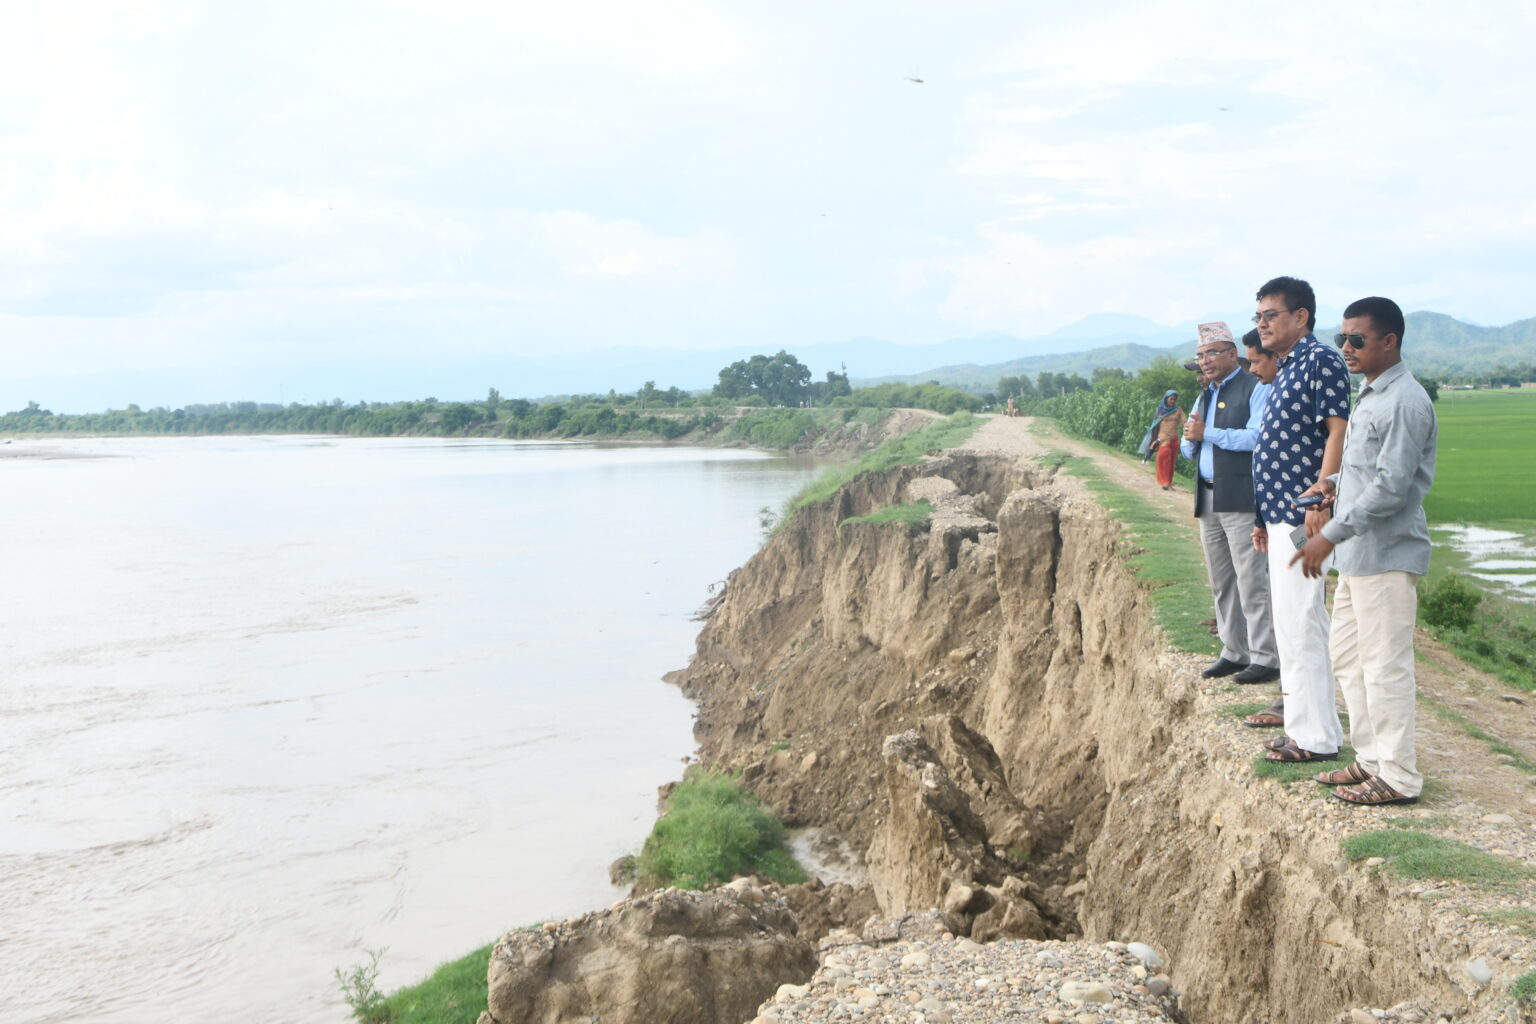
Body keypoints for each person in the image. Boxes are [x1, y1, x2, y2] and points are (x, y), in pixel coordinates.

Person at [1291, 297, 1437, 805]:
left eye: (1358, 339)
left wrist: (1330, 533)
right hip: (1358, 557)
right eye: (1342, 338)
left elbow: (1393, 488)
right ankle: (1371, 759)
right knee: (1349, 659)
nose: (1347, 348)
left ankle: (1398, 776)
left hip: (1387, 555)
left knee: (1385, 665)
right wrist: (1330, 484)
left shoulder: (1405, 402)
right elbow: (1364, 471)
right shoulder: (1371, 395)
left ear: (1389, 341)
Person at [1250, 275, 1350, 764]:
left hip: (1303, 515)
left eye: (1270, 315)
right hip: (1277, 513)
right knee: (1290, 622)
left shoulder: (1321, 360)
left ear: (1300, 317)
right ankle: (1304, 728)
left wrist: (1321, 495)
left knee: (1303, 620)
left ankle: (1315, 739)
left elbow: (1337, 430)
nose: (1262, 324)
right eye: (1259, 316)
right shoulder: (1287, 366)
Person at [1181, 323, 1276, 684]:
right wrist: (1192, 440)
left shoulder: (1253, 386)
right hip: (1208, 493)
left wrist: (1209, 434)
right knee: (1221, 579)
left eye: (1211, 354)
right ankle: (1233, 650)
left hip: (1240, 495)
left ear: (1230, 354)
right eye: (1200, 356)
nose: (1204, 362)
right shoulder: (1205, 394)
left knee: (1252, 578)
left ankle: (1266, 655)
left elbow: (1257, 437)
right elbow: (1192, 439)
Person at [1147, 390, 1186, 489]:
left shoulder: (1178, 410)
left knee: (1172, 461)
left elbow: (1184, 422)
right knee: (1164, 458)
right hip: (1163, 438)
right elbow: (1155, 425)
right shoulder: (1160, 410)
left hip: (1174, 438)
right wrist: (1154, 440)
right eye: (1171, 399)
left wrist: (1188, 430)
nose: (1173, 401)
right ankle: (1164, 482)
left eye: (1174, 399)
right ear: (1166, 399)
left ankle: (1169, 482)